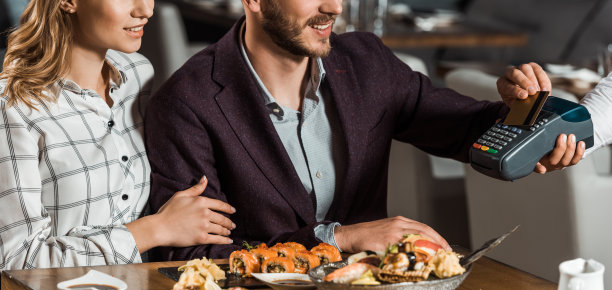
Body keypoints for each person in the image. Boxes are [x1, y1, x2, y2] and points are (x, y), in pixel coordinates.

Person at [145, 0, 583, 264]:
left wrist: (521, 115)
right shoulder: (187, 103)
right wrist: (340, 239)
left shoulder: (366, 62)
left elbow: (464, 128)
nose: (335, 7)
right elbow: (190, 259)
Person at [0, 0, 232, 290]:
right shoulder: (14, 104)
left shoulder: (137, 73)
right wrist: (154, 230)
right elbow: (17, 260)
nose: (145, 9)